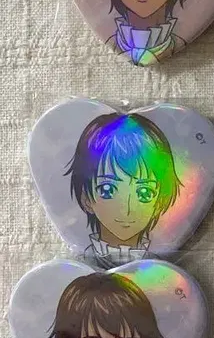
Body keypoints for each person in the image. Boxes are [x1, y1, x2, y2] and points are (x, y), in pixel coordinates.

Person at [66, 112, 181, 267]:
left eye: (145, 193)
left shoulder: (159, 269)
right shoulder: (82, 264)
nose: (126, 209)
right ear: (86, 198)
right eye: (107, 189)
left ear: (159, 202)